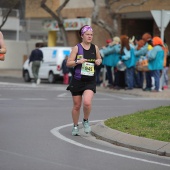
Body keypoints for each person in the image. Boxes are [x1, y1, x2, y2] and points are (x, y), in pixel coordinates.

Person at [66, 25, 102, 136]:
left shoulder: (95, 48)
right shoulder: (77, 48)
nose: (90, 36)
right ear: (82, 35)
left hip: (90, 80)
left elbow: (99, 58)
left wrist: (99, 61)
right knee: (77, 106)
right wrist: (78, 61)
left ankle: (86, 120)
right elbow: (68, 63)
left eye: (91, 35)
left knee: (87, 102)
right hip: (77, 80)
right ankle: (75, 126)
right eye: (87, 34)